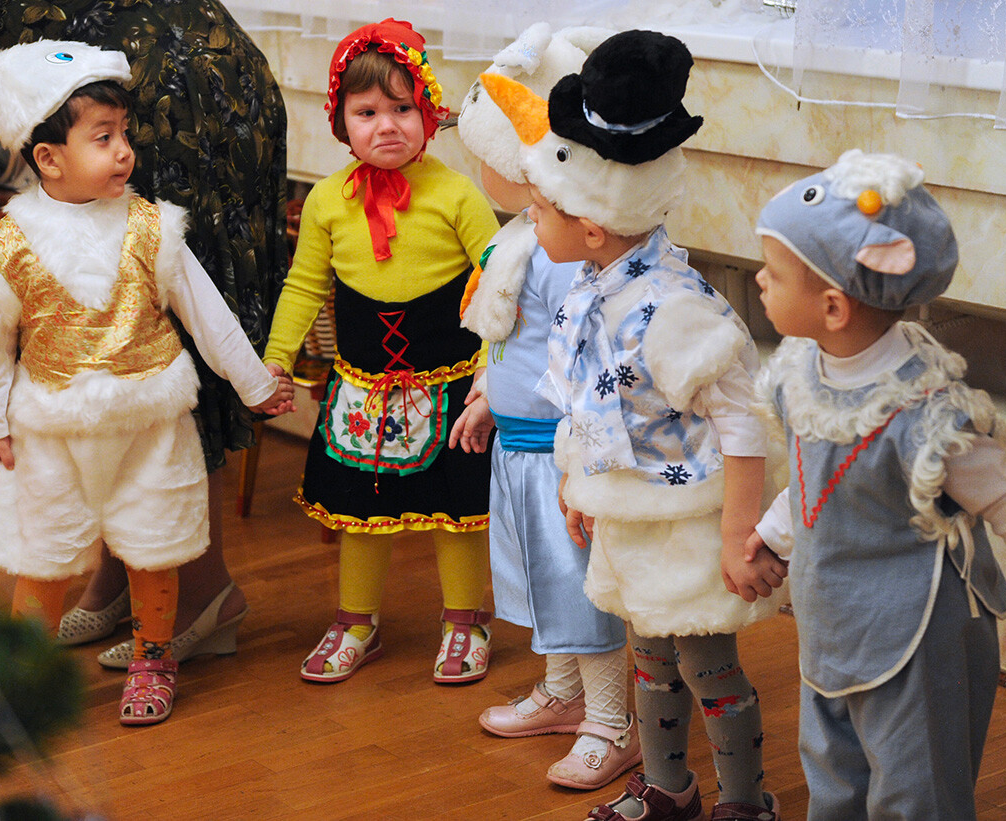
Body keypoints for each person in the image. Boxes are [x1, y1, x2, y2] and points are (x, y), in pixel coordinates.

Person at [0, 0, 290, 665]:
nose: (125, 153)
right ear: (47, 159)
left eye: (124, 136)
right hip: (58, 412)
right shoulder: (12, 242)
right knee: (47, 541)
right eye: (107, 139)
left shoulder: (148, 225)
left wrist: (256, 384)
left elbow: (207, 313)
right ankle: (64, 632)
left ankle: (172, 632)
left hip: (179, 95)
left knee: (152, 526)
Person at [482, 30, 786, 821]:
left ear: (590, 224)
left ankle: (746, 802)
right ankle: (668, 787)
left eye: (540, 208)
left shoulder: (674, 309)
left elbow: (744, 422)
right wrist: (581, 481)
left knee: (707, 667)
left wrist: (735, 533)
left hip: (689, 526)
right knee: (649, 659)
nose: (531, 219)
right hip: (631, 514)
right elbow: (587, 400)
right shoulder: (593, 285)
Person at [748, 149, 1006, 819]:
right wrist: (774, 533)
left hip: (918, 631)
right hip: (833, 613)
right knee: (833, 768)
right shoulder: (806, 375)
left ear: (832, 306)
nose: (760, 283)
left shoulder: (924, 411)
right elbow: (815, 480)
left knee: (918, 785)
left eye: (773, 273)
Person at [262, 18, 500, 684]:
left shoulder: (456, 194)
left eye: (403, 108)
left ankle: (465, 619)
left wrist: (493, 372)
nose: (387, 125)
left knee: (457, 512)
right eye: (367, 112)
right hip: (360, 390)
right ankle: (356, 620)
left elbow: (501, 279)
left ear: (430, 114)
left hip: (451, 386)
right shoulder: (326, 204)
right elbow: (304, 283)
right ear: (341, 122)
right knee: (362, 514)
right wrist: (276, 359)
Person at [454, 23, 636, 791]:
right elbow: (510, 342)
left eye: (488, 163)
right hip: (517, 446)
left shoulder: (569, 251)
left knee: (579, 591)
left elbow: (583, 359)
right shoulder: (524, 239)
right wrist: (483, 393)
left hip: (560, 454)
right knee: (538, 582)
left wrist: (579, 461)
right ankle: (564, 694)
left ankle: (611, 720)